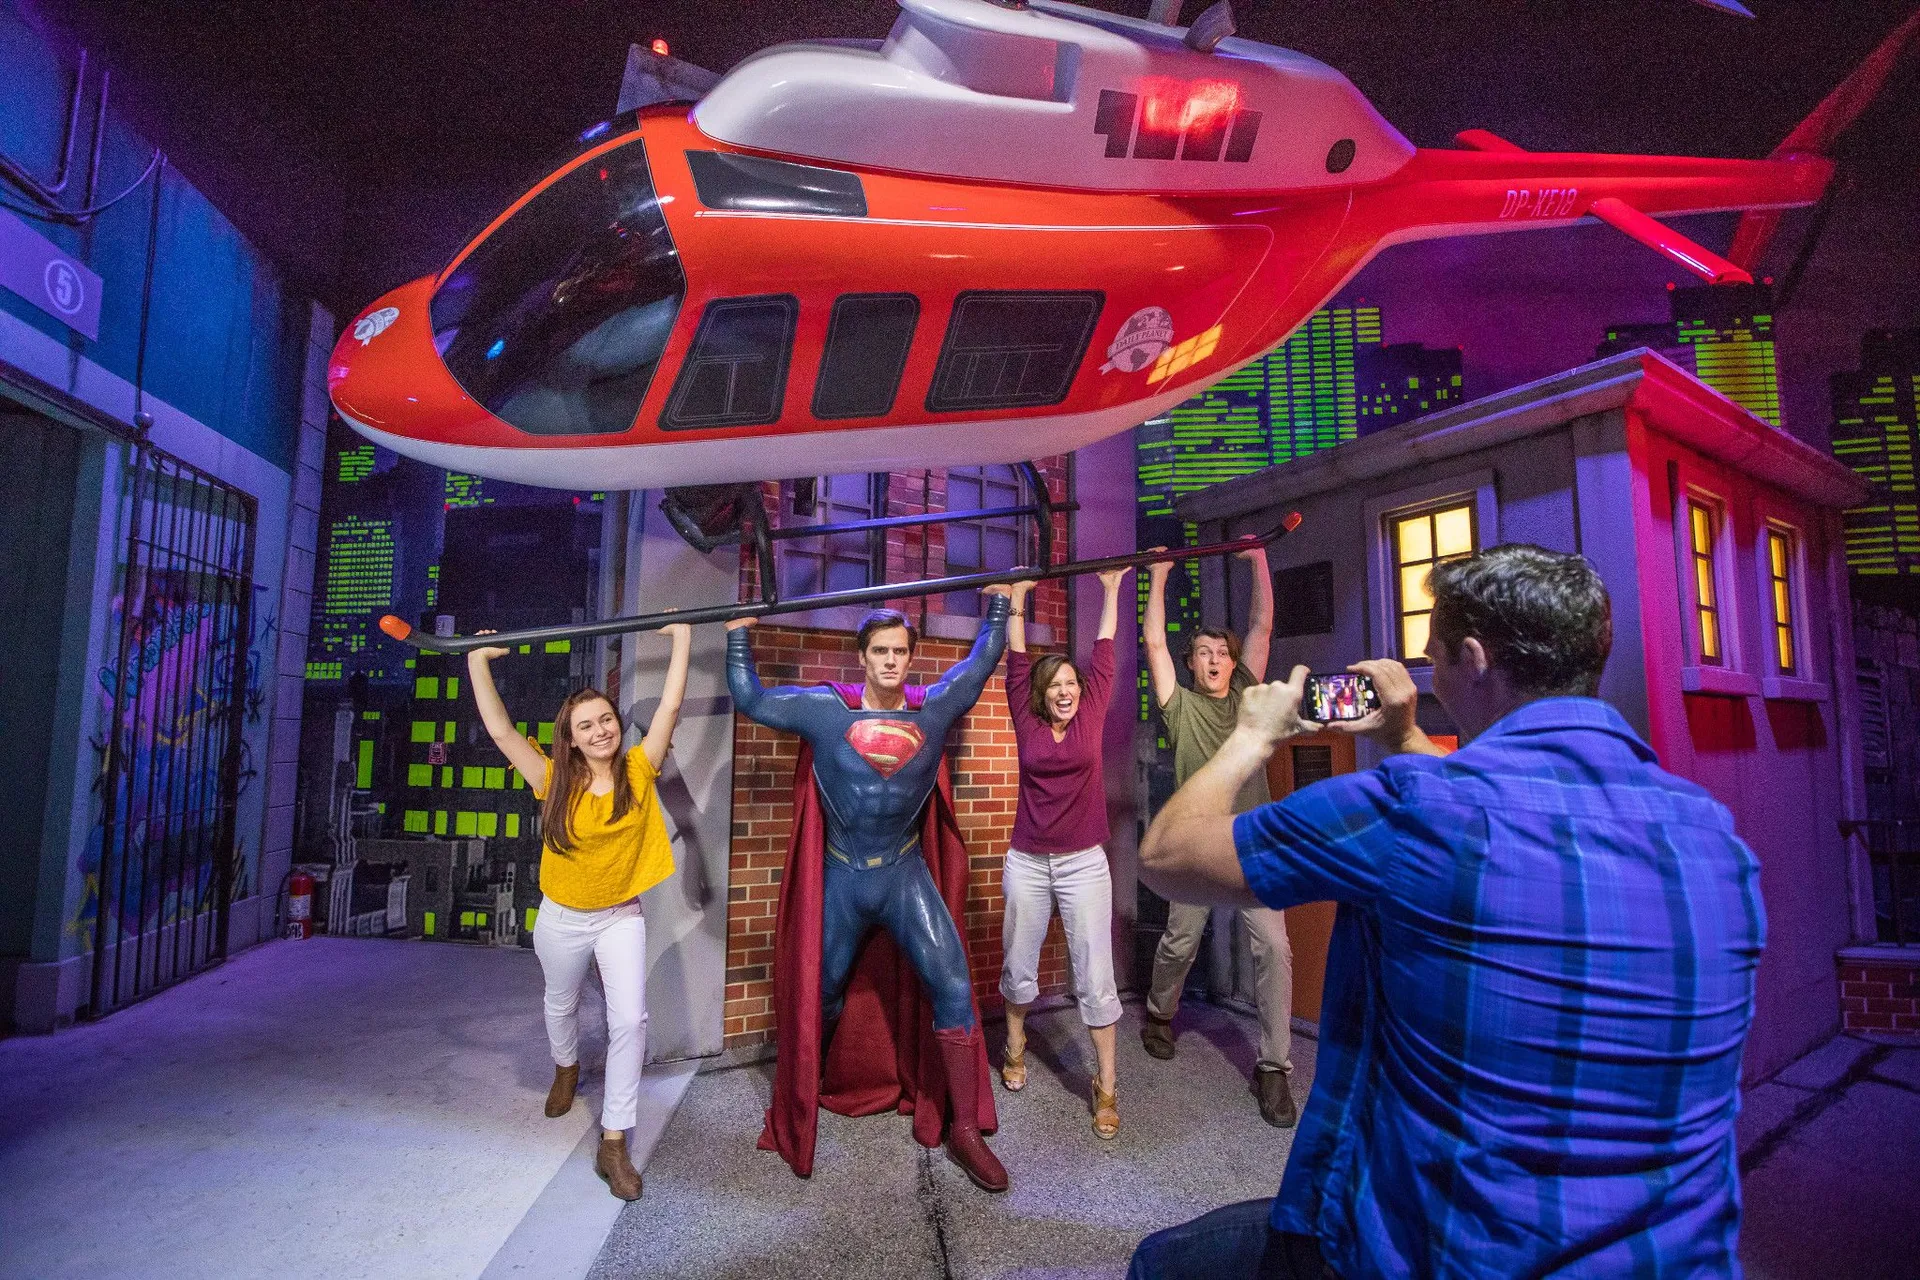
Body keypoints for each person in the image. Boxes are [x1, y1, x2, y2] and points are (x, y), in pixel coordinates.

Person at [1129, 544, 1765, 1279]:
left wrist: (1251, 735)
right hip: (1668, 1261)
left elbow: (1167, 854)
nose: (1428, 664)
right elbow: (1500, 818)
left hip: (1439, 1250)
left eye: (1433, 651)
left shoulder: (1410, 810)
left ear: (1473, 657)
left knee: (1164, 1265)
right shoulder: (1713, 836)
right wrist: (1403, 736)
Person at [727, 594, 1011, 1192]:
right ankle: (810, 1094)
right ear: (862, 656)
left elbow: (982, 663)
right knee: (822, 990)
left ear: (913, 657)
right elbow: (750, 698)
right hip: (843, 875)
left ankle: (963, 1130)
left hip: (904, 875)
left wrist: (999, 607)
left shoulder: (934, 710)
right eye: (879, 651)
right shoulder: (825, 712)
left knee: (954, 985)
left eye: (900, 651)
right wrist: (736, 635)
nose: (890, 660)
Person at [467, 622, 694, 1202]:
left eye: (606, 719)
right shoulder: (551, 779)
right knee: (560, 1002)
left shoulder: (640, 768)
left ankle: (614, 1141)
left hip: (621, 915)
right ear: (569, 737)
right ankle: (566, 1065)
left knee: (630, 1022)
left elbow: (671, 701)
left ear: (619, 725)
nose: (600, 731)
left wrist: (682, 637)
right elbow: (499, 730)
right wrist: (477, 659)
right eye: (586, 725)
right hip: (562, 917)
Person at [1140, 544, 1296, 1128]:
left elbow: (1262, 623)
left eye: (1220, 654)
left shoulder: (1247, 696)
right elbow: (1154, 642)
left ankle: (1274, 1067)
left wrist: (1258, 556)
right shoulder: (1178, 707)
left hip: (1253, 842)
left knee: (1274, 949)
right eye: (1202, 653)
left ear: (1233, 663)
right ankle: (1159, 1012)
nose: (1212, 661)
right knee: (1181, 941)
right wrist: (1157, 576)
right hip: (1196, 845)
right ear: (1191, 662)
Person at [997, 569, 1130, 1139]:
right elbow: (1017, 660)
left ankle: (1106, 1085)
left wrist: (1112, 588)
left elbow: (1105, 654)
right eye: (1056, 685)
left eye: (1072, 683)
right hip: (1027, 861)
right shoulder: (1025, 717)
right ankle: (1016, 1041)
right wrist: (1019, 601)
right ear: (1043, 693)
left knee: (1095, 976)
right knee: (1018, 966)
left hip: (1083, 863)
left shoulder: (1093, 709)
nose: (1066, 690)